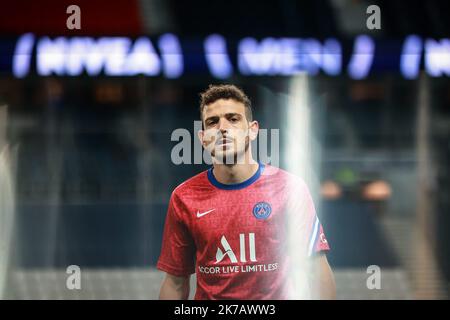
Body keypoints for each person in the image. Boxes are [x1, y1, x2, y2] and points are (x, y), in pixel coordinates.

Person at [157, 84, 335, 299]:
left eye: (233, 119)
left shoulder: (290, 188)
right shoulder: (184, 197)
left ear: (252, 130)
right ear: (203, 138)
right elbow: (176, 283)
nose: (222, 128)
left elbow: (315, 269)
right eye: (213, 122)